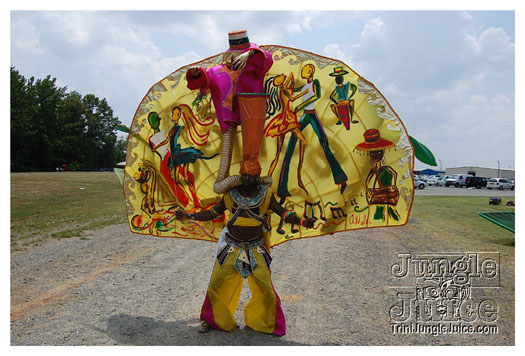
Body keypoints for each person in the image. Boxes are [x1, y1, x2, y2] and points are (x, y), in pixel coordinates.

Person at [175, 173, 316, 335]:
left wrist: (302, 222)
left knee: (266, 287)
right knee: (217, 283)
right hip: (231, 247)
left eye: (251, 175)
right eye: (245, 175)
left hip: (256, 249)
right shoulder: (230, 194)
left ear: (258, 177)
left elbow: (282, 212)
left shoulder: (265, 194)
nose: (247, 178)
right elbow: (214, 212)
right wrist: (189, 215)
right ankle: (213, 320)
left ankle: (267, 324)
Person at [186, 30, 273, 194]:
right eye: (238, 54)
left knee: (252, 145)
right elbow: (203, 81)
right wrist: (196, 74)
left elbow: (266, 59)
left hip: (251, 110)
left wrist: (250, 54)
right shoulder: (217, 71)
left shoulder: (253, 66)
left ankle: (251, 175)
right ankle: (241, 178)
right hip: (228, 118)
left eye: (242, 53)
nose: (238, 57)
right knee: (227, 154)